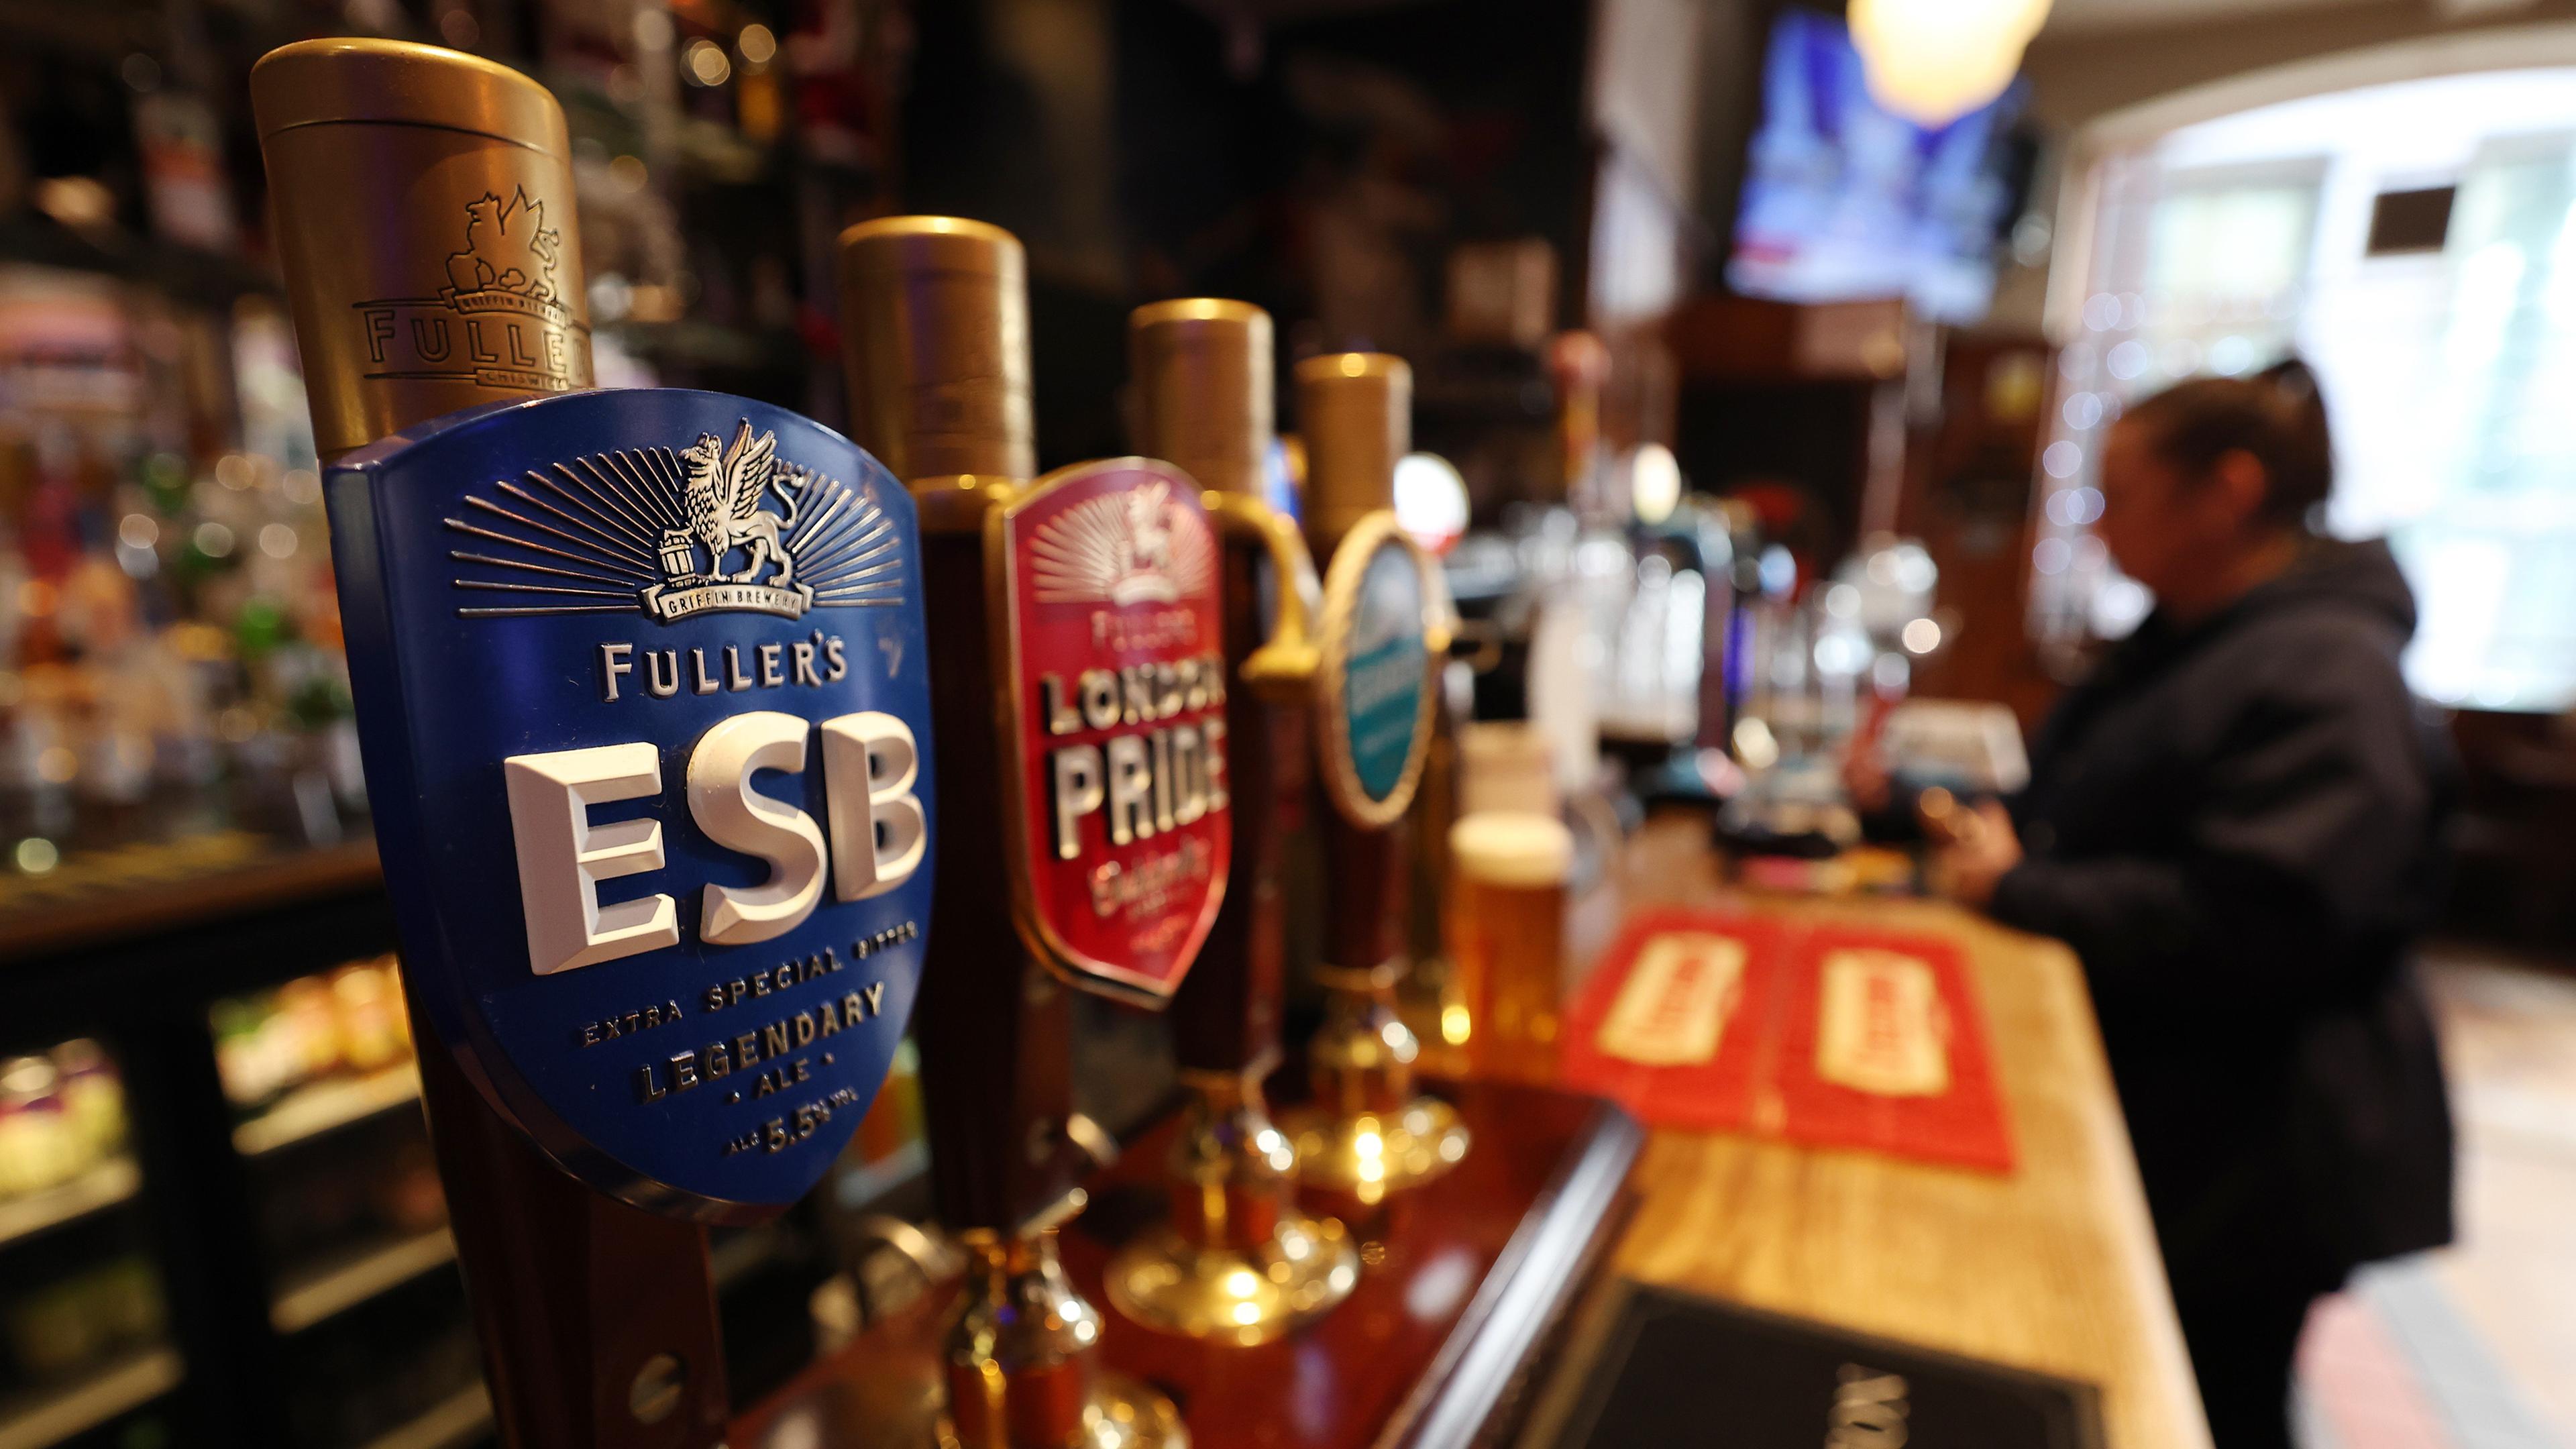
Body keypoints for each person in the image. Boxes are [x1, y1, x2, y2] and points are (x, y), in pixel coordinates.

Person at [1859, 362, 2455, 1449]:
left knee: (2200, 1401)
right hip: (2178, 1098)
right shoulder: (2191, 637)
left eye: (2117, 493)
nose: (2094, 522)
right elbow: (2078, 810)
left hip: (2260, 1143)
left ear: (2225, 492)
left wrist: (2022, 888)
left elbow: (2266, 921)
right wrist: (1922, 808)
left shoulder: (2329, 669)